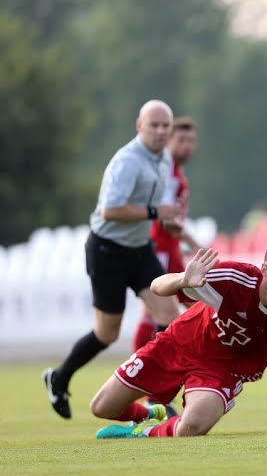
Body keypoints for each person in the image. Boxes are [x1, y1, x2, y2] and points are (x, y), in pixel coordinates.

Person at [91, 237, 267, 438]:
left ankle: (144, 432)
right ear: (265, 269)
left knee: (191, 427)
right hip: (178, 343)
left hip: (222, 370)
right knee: (101, 407)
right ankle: (150, 414)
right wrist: (183, 280)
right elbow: (158, 287)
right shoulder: (233, 278)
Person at [43, 100, 183, 420]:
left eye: (166, 126)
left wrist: (163, 220)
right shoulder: (127, 161)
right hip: (107, 251)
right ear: (139, 125)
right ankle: (59, 377)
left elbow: (147, 204)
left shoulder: (162, 157)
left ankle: (155, 397)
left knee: (169, 316)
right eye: (155, 125)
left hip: (139, 248)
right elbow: (110, 210)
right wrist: (154, 213)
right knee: (107, 334)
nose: (162, 131)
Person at [132, 116, 201, 355]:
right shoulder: (165, 171)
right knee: (155, 310)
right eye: (181, 139)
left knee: (195, 305)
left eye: (191, 140)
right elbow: (165, 219)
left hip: (170, 249)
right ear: (169, 140)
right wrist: (194, 244)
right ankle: (139, 372)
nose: (186, 146)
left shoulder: (178, 174)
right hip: (157, 246)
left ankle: (177, 364)